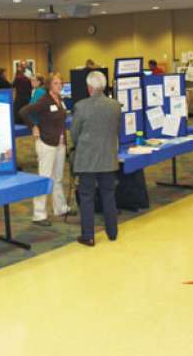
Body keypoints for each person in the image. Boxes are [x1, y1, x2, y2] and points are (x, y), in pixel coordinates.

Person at [71, 71, 121, 247]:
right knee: (109, 195)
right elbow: (117, 131)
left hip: (87, 160)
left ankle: (88, 236)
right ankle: (112, 232)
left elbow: (74, 134)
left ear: (89, 87)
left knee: (86, 198)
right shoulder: (115, 106)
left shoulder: (81, 106)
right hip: (108, 159)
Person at [19, 73, 72, 226]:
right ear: (49, 85)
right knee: (44, 178)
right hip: (46, 144)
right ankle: (39, 215)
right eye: (56, 83)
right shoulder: (44, 101)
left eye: (60, 83)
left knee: (58, 178)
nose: (59, 86)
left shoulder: (59, 100)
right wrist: (33, 126)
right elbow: (23, 112)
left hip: (60, 144)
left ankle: (60, 208)